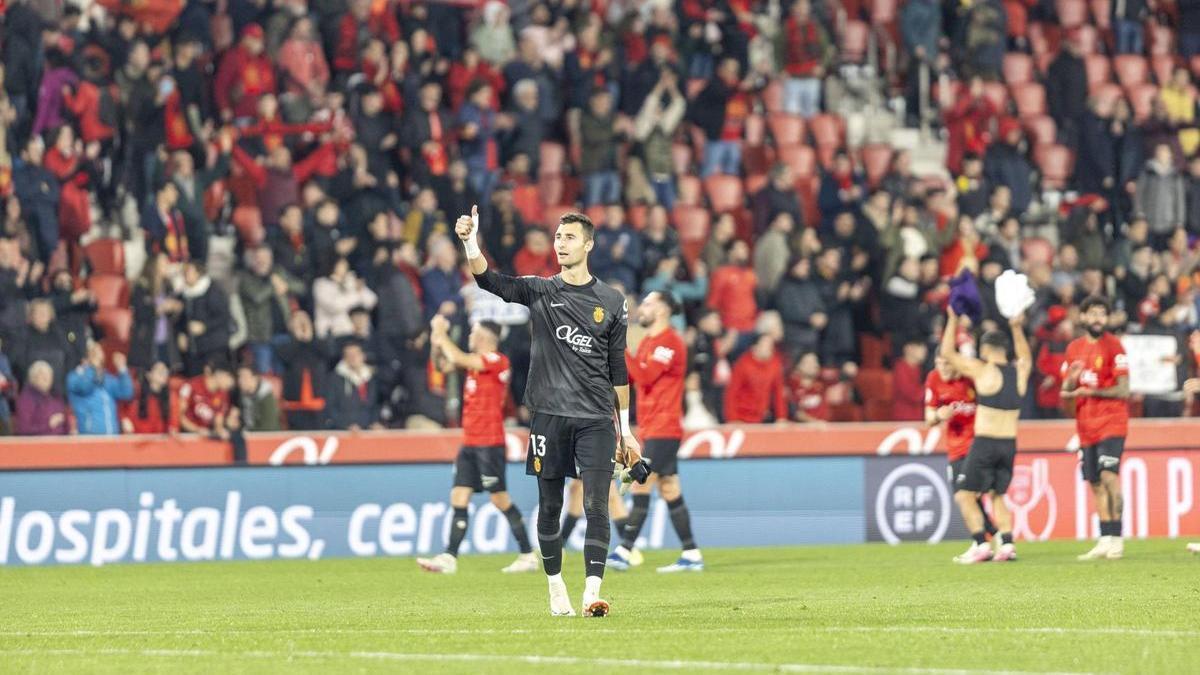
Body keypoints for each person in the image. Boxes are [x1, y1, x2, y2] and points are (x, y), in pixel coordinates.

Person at [457, 205, 639, 618]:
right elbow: (490, 280)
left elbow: (618, 370)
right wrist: (470, 241)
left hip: (595, 419)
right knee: (551, 506)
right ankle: (556, 586)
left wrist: (625, 431)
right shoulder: (541, 290)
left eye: (570, 237)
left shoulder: (611, 301)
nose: (561, 243)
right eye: (558, 237)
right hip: (549, 415)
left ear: (589, 245)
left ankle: (592, 592)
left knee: (597, 503)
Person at [417, 316, 538, 575]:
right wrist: (436, 342)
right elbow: (441, 364)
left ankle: (528, 554)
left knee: (499, 499)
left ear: (484, 337)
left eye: (472, 332)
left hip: (489, 443)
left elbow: (458, 358)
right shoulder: (474, 365)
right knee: (458, 496)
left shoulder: (496, 360)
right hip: (470, 442)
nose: (469, 336)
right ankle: (449, 557)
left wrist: (440, 332)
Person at [609, 291, 703, 573]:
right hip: (651, 426)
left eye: (648, 303)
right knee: (669, 488)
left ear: (662, 310)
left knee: (641, 482)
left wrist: (619, 350)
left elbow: (646, 375)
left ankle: (625, 550)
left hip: (665, 426)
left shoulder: (671, 341)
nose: (643, 308)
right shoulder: (650, 341)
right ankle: (692, 553)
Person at [939, 306, 1031, 564]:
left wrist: (952, 319)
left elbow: (947, 354)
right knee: (997, 494)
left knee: (964, 494)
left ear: (987, 349)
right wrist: (1016, 328)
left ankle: (981, 544)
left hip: (986, 442)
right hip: (1009, 443)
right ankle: (1008, 544)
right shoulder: (1018, 373)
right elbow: (1026, 357)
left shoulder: (984, 370)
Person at [1062, 296, 1130, 561]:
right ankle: (1104, 538)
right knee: (1095, 483)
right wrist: (1070, 380)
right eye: (1093, 313)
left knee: (1109, 476)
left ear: (1108, 318)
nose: (1098, 318)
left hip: (1112, 423)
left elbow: (1124, 388)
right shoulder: (1073, 349)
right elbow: (1066, 393)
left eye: (1103, 313)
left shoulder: (1114, 346)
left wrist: (1093, 390)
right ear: (1083, 318)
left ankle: (1118, 537)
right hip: (1085, 426)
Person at [925, 356, 997, 541]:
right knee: (964, 495)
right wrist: (939, 416)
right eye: (939, 363)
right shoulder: (934, 378)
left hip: (978, 444)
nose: (943, 368)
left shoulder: (971, 377)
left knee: (969, 494)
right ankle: (993, 535)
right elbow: (929, 418)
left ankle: (986, 540)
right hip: (956, 447)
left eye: (947, 363)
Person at [66, 342, 134, 436]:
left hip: (112, 437)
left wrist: (122, 369)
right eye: (93, 353)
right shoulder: (75, 376)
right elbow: (85, 387)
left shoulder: (107, 378)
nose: (97, 356)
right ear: (85, 356)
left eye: (99, 352)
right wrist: (92, 368)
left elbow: (126, 394)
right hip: (89, 438)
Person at [13, 361, 68, 436]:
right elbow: (23, 429)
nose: (47, 378)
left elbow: (66, 425)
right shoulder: (26, 400)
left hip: (61, 443)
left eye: (49, 375)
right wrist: (48, 425)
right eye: (42, 375)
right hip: (36, 444)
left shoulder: (56, 398)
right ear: (33, 378)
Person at [235, 365, 282, 432]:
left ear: (255, 378)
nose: (240, 381)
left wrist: (246, 431)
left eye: (244, 377)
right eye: (239, 377)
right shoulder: (242, 395)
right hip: (250, 435)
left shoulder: (266, 397)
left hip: (266, 438)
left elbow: (269, 427)